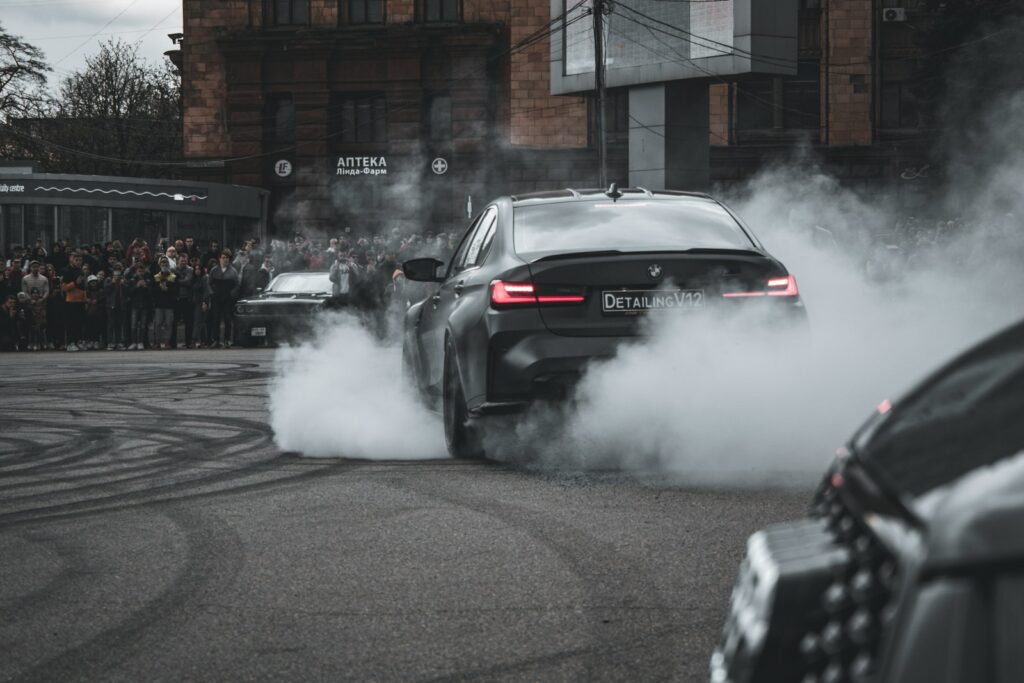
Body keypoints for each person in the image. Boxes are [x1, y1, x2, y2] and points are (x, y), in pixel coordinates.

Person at [207, 252, 239, 348]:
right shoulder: (214, 270)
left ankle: (227, 340)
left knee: (227, 319)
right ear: (219, 259)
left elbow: (237, 284)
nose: (225, 259)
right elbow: (208, 283)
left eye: (227, 258)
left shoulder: (233, 271)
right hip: (216, 297)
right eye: (223, 257)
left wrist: (232, 294)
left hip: (228, 298)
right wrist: (212, 293)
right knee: (215, 319)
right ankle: (216, 340)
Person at [62, 254, 88, 352]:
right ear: (71, 260)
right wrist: (75, 283)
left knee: (79, 323)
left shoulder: (81, 271)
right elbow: (64, 288)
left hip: (81, 301)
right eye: (76, 260)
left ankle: (78, 341)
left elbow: (83, 287)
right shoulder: (67, 271)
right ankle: (70, 343)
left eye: (80, 260)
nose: (78, 262)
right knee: (71, 323)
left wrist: (85, 299)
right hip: (71, 301)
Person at [152, 257, 178, 350]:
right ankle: (157, 342)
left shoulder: (173, 276)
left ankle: (167, 343)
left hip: (169, 304)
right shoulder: (156, 277)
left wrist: (167, 289)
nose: (164, 264)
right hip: (159, 304)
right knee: (158, 324)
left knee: (168, 324)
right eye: (162, 263)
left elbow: (176, 290)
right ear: (160, 265)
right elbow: (152, 290)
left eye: (166, 262)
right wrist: (159, 288)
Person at [127, 263, 152, 350]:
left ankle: (141, 342)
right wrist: (136, 286)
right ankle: (134, 342)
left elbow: (150, 294)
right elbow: (129, 293)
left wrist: (145, 287)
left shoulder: (148, 280)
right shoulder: (132, 280)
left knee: (143, 325)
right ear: (136, 272)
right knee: (133, 325)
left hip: (144, 306)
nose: (140, 273)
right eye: (139, 271)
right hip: (135, 305)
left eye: (142, 271)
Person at [104, 269, 128, 350]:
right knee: (111, 325)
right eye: (115, 276)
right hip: (111, 306)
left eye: (118, 276)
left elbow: (127, 292)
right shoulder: (108, 281)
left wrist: (123, 284)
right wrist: (112, 283)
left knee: (119, 325)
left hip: (121, 306)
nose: (117, 277)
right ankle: (110, 342)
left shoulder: (122, 283)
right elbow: (106, 292)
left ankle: (119, 342)